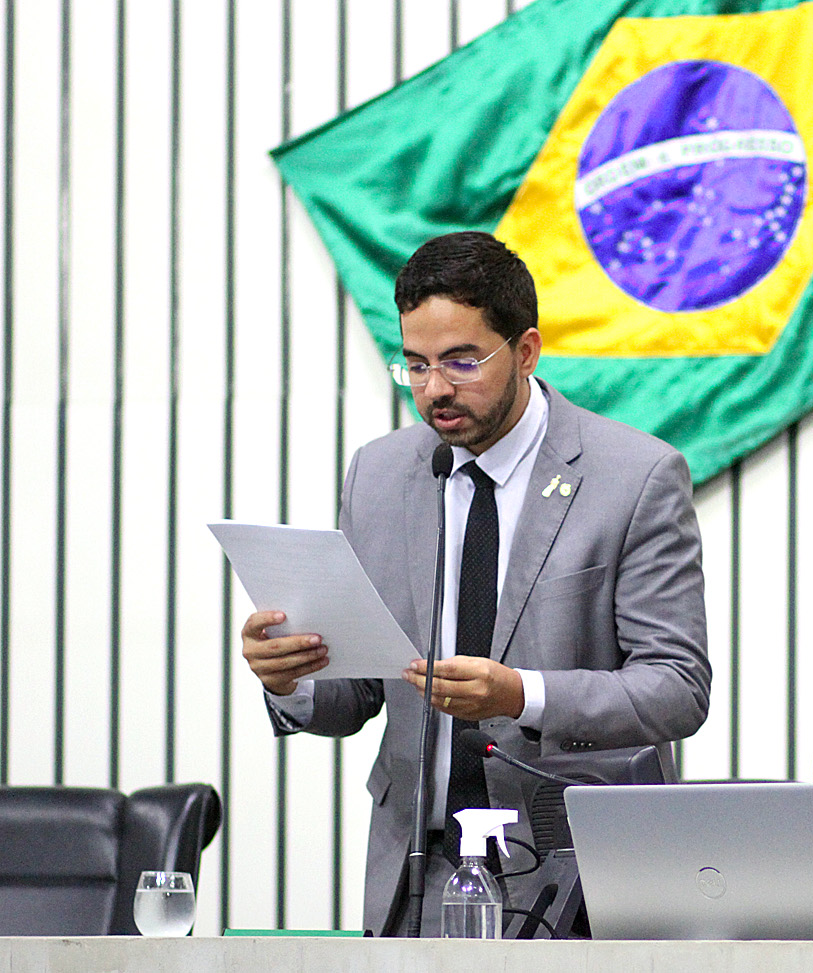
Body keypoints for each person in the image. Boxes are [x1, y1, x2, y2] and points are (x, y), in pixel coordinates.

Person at [241, 231, 711, 936]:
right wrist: (291, 680)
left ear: (525, 351)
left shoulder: (634, 477)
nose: (435, 389)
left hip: (580, 871)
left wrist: (521, 694)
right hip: (418, 874)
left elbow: (676, 687)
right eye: (416, 365)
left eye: (462, 361)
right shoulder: (379, 474)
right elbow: (361, 691)